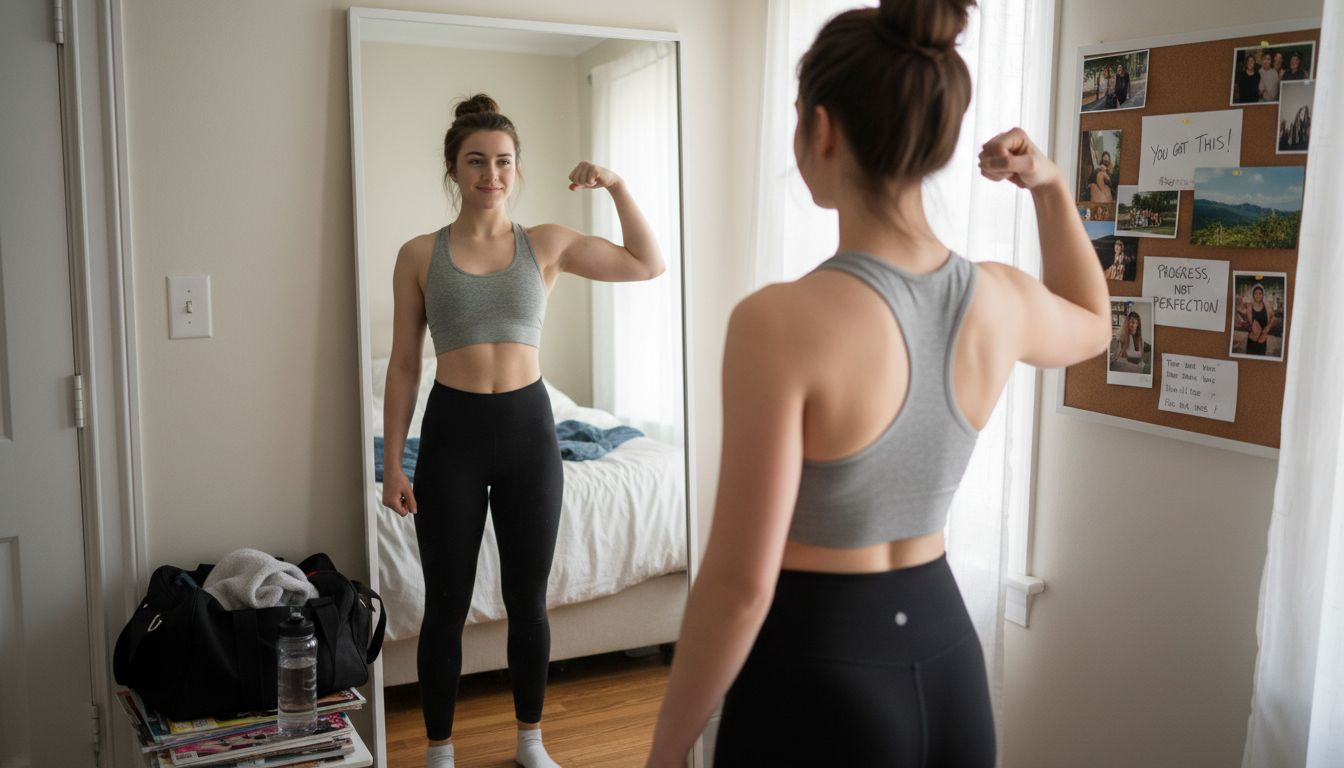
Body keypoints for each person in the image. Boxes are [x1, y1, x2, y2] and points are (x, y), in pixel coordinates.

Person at [644, 1, 1111, 764]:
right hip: (949, 662)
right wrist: (1050, 185)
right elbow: (1094, 322)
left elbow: (738, 586)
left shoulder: (778, 322)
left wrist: (665, 754)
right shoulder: (998, 299)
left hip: (817, 674)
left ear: (822, 129)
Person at [380, 93, 664, 768]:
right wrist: (393, 464)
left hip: (527, 434)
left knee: (527, 599)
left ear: (517, 168)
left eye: (504, 161)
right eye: (477, 161)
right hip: (451, 435)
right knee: (445, 603)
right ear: (454, 169)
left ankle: (531, 741)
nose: (492, 174)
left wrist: (617, 185)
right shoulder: (419, 254)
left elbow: (647, 263)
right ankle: (439, 750)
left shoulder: (548, 243)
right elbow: (403, 365)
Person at [1239, 283, 1274, 355]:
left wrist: (1268, 327)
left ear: (1263, 295)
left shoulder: (1267, 306)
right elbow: (1240, 313)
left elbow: (1273, 317)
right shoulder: (1249, 306)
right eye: (1256, 293)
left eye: (1260, 293)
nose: (1258, 296)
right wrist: (1248, 326)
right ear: (1253, 295)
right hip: (1252, 340)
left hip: (1263, 340)